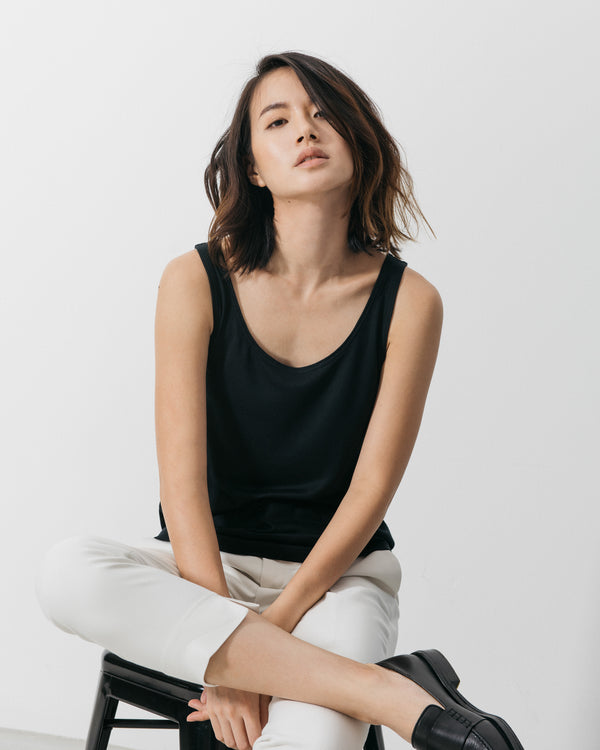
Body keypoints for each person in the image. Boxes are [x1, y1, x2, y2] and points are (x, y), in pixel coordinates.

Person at [35, 51, 524, 750]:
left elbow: (370, 492)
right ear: (255, 168)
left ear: (358, 142)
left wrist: (245, 647)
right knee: (67, 574)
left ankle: (354, 684)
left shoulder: (411, 302)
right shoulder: (194, 280)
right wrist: (222, 635)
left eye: (324, 114)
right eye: (278, 120)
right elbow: (182, 486)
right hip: (206, 569)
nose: (305, 129)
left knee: (317, 739)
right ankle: (394, 693)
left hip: (338, 581)